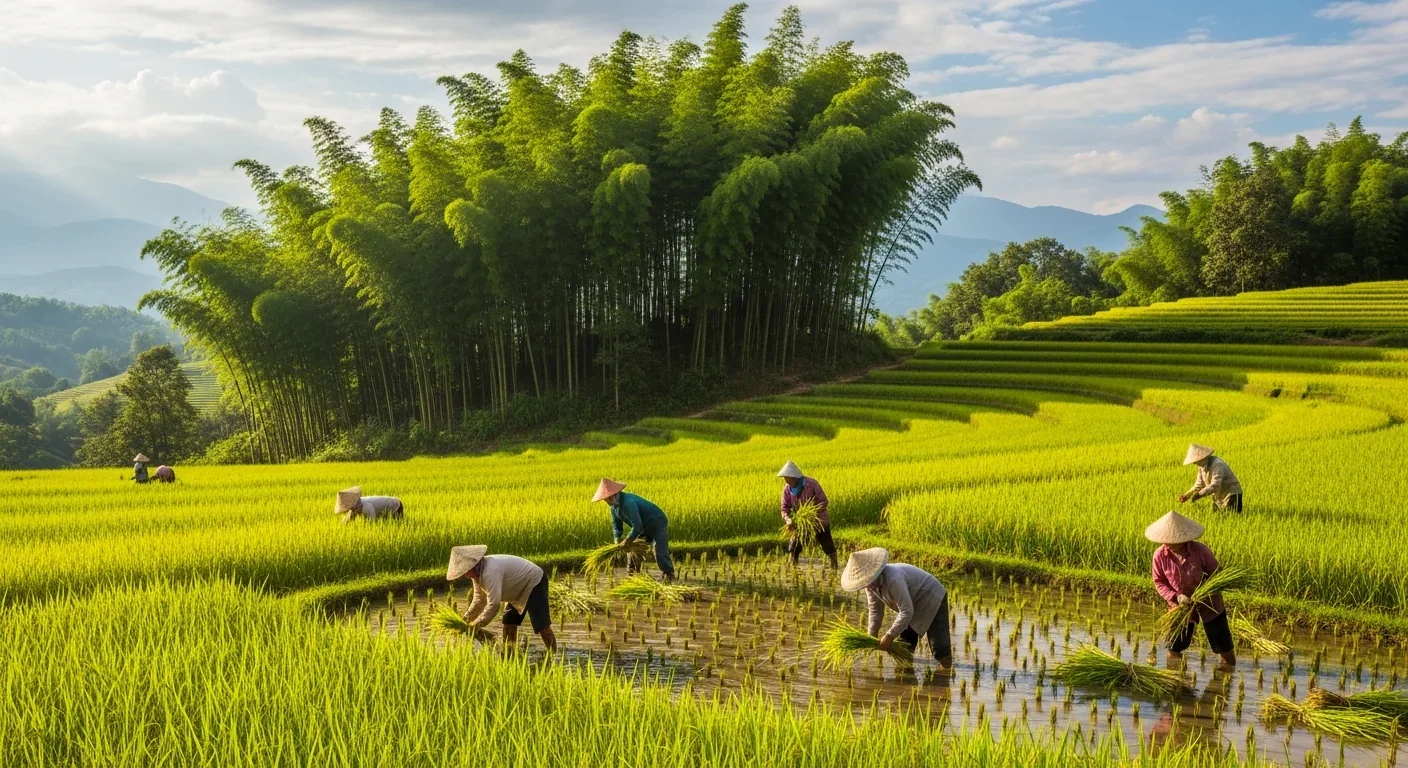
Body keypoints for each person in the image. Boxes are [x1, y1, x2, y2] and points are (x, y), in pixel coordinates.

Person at [1146, 510, 1236, 667]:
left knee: (1224, 647)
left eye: (1174, 541)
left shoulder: (1201, 551)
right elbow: (1159, 582)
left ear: (1184, 538)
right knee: (1174, 648)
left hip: (1209, 603)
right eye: (1166, 540)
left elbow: (1217, 574)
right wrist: (1177, 597)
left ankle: (1226, 681)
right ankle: (1175, 680)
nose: (1170, 544)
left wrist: (1205, 591)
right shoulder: (1159, 556)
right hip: (1180, 607)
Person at [840, 547, 952, 670]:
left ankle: (945, 674)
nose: (865, 585)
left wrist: (889, 636)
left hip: (932, 595)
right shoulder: (871, 585)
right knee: (904, 647)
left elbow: (906, 611)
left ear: (874, 572)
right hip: (912, 603)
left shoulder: (894, 580)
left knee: (939, 648)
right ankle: (906, 678)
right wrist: (871, 636)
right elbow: (875, 611)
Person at [446, 545, 557, 652]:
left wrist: (477, 624)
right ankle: (511, 654)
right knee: (508, 623)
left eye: (465, 572)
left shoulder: (490, 571)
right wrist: (466, 620)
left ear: (472, 565)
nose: (465, 575)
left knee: (542, 626)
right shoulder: (476, 575)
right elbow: (480, 600)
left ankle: (553, 655)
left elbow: (494, 605)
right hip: (516, 590)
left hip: (533, 582)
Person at [592, 478, 676, 581]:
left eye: (606, 499)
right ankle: (632, 573)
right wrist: (617, 539)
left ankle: (668, 573)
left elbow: (637, 526)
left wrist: (627, 541)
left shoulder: (628, 503)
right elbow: (616, 525)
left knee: (658, 548)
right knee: (634, 550)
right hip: (644, 525)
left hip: (656, 521)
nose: (605, 501)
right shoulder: (614, 508)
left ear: (612, 496)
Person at [777, 461, 839, 569]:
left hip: (819, 520)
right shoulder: (787, 489)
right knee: (794, 544)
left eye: (786, 477)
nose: (785, 480)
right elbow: (784, 507)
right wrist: (788, 519)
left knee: (826, 543)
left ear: (794, 477)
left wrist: (812, 514)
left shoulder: (811, 484)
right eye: (784, 477)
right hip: (800, 523)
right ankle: (793, 566)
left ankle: (835, 565)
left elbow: (823, 501)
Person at [1178, 444, 1243, 513]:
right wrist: (1187, 495)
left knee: (1232, 517)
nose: (1194, 463)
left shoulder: (1217, 464)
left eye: (1195, 460)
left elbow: (1215, 485)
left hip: (1231, 494)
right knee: (1218, 518)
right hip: (1218, 497)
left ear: (1201, 457)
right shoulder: (1201, 467)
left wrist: (1200, 494)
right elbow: (1199, 483)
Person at [334, 486, 405, 523]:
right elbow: (348, 519)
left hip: (395, 505)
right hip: (384, 508)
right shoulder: (355, 505)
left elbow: (373, 523)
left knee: (397, 524)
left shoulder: (366, 507)